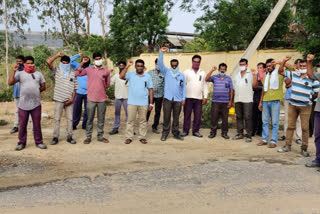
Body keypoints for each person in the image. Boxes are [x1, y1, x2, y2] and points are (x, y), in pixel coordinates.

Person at [278, 55, 319, 157]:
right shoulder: (294, 74)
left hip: (306, 106)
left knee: (305, 128)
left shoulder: (313, 78)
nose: (302, 68)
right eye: (301, 66)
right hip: (293, 105)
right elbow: (280, 71)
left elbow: (316, 92)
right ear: (298, 66)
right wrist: (283, 61)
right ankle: (287, 146)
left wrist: (308, 98)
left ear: (308, 67)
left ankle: (304, 148)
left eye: (304, 66)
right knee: (290, 126)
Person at [8, 56, 47, 150]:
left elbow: (43, 86)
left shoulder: (38, 74)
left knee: (37, 124)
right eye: (28, 63)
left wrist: (36, 92)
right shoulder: (20, 74)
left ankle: (39, 142)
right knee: (22, 125)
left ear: (34, 64)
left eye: (31, 63)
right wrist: (13, 71)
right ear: (24, 64)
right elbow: (10, 83)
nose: (30, 65)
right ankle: (21, 143)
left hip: (36, 104)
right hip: (23, 104)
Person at [75, 52, 111, 144]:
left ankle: (100, 136)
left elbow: (107, 84)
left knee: (101, 118)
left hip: (102, 99)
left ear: (101, 59)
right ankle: (88, 136)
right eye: (96, 59)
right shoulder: (88, 69)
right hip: (90, 98)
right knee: (89, 119)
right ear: (94, 60)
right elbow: (77, 73)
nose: (98, 60)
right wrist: (82, 63)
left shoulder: (106, 71)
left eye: (99, 58)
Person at [47, 52, 78, 145]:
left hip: (69, 100)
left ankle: (70, 136)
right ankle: (55, 137)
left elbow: (75, 88)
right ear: (60, 63)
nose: (64, 65)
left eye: (66, 63)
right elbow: (48, 62)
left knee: (70, 119)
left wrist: (72, 99)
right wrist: (57, 55)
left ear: (69, 64)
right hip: (58, 99)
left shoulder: (73, 74)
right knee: (57, 119)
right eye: (63, 63)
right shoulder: (57, 71)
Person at [119, 60, 153, 144]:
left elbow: (150, 90)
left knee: (143, 121)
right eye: (138, 65)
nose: (139, 67)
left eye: (141, 66)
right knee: (130, 120)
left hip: (144, 103)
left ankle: (142, 137)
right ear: (135, 67)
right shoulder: (131, 75)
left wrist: (151, 103)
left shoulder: (147, 76)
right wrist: (127, 66)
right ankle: (129, 137)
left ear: (143, 67)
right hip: (132, 102)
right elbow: (121, 76)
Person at [158, 47, 186, 141]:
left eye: (175, 65)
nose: (174, 66)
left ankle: (175, 133)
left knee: (176, 117)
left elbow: (183, 87)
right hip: (168, 99)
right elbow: (160, 64)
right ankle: (165, 133)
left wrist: (183, 98)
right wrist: (162, 53)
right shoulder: (166, 72)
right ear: (170, 65)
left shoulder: (181, 75)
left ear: (177, 65)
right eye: (172, 65)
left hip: (178, 99)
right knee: (166, 117)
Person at [257, 59, 284, 148]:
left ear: (274, 66)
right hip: (265, 101)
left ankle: (273, 141)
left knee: (275, 122)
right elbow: (263, 91)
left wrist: (280, 62)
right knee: (264, 121)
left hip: (275, 100)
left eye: (270, 65)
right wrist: (260, 102)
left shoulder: (280, 74)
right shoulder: (265, 77)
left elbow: (291, 68)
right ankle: (264, 139)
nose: (269, 67)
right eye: (267, 66)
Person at [182, 55, 208, 138]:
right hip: (188, 97)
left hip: (199, 98)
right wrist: (183, 97)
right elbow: (183, 85)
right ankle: (185, 131)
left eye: (198, 62)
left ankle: (196, 131)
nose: (196, 63)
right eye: (195, 62)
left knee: (197, 115)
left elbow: (205, 85)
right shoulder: (186, 72)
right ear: (192, 62)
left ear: (200, 63)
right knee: (187, 115)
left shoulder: (203, 73)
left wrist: (205, 96)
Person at [205, 63, 234, 139]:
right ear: (218, 69)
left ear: (226, 70)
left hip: (225, 102)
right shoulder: (214, 77)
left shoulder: (228, 79)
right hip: (215, 101)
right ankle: (212, 133)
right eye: (221, 69)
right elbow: (206, 79)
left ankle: (224, 133)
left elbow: (231, 90)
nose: (222, 70)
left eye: (224, 69)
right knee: (214, 118)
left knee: (225, 119)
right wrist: (211, 70)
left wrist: (230, 101)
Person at [232, 58, 258, 142]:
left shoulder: (250, 74)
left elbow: (255, 86)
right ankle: (240, 133)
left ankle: (249, 135)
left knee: (248, 117)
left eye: (243, 64)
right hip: (238, 99)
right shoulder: (236, 75)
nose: (242, 66)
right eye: (241, 64)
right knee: (239, 117)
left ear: (247, 65)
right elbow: (234, 88)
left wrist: (254, 75)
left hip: (247, 99)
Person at [278, 59, 302, 144]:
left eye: (301, 64)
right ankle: (285, 135)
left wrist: (293, 83)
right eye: (298, 64)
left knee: (299, 119)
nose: (299, 66)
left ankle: (299, 137)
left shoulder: (304, 73)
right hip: (288, 98)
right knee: (287, 118)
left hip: (299, 98)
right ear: (295, 65)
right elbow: (287, 82)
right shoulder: (289, 72)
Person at [306, 56, 320, 168]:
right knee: (317, 135)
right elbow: (310, 74)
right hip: (319, 110)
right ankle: (318, 159)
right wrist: (309, 62)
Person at [70, 53, 90, 130]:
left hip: (88, 92)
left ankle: (85, 125)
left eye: (87, 59)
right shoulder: (77, 65)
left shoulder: (91, 68)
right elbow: (70, 60)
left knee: (87, 110)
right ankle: (74, 124)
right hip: (78, 91)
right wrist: (78, 55)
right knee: (76, 109)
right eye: (84, 59)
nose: (85, 60)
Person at [109, 61, 129, 135]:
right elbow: (109, 83)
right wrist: (109, 74)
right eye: (120, 65)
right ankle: (115, 128)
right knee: (117, 113)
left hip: (127, 97)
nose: (121, 67)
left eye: (123, 65)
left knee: (128, 114)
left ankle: (129, 129)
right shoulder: (116, 76)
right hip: (118, 97)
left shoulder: (128, 76)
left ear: (125, 67)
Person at [146, 58, 164, 134]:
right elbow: (145, 83)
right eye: (157, 64)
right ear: (155, 63)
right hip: (150, 95)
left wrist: (164, 96)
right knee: (147, 111)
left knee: (158, 112)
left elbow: (165, 85)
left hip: (159, 96)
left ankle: (154, 126)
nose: (158, 65)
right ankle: (143, 126)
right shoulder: (149, 73)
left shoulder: (163, 74)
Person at [10, 55, 25, 134]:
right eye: (17, 62)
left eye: (20, 61)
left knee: (28, 110)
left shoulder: (26, 70)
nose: (18, 63)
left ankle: (31, 127)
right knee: (17, 110)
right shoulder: (15, 70)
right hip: (17, 93)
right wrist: (14, 71)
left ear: (24, 62)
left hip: (25, 94)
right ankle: (16, 126)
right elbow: (10, 81)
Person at [252, 62, 266, 137]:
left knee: (262, 117)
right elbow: (254, 87)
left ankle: (260, 131)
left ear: (264, 69)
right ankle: (253, 131)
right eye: (258, 68)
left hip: (264, 99)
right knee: (254, 116)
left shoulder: (266, 76)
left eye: (260, 68)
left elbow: (265, 88)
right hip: (255, 99)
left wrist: (258, 87)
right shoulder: (255, 76)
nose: (259, 69)